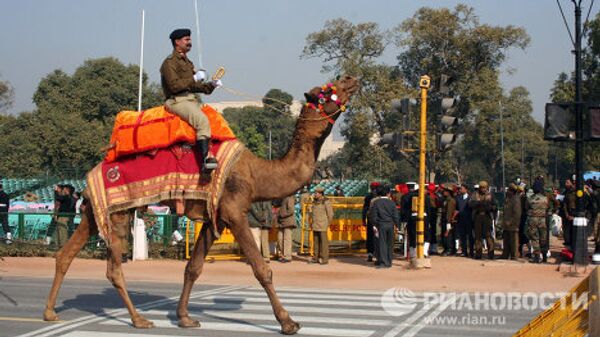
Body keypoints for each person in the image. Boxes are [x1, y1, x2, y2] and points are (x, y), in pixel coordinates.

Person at [160, 28, 221, 171]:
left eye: (190, 39)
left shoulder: (188, 63)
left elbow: (195, 86)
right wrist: (193, 77)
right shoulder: (169, 63)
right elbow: (174, 86)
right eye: (186, 40)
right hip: (177, 100)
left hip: (191, 100)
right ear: (177, 42)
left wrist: (211, 85)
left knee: (215, 118)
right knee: (202, 120)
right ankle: (205, 161)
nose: (189, 42)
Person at [369, 185, 400, 268]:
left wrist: (375, 224)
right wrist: (397, 225)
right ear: (388, 194)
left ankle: (383, 262)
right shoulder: (392, 203)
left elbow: (373, 216)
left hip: (381, 225)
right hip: (390, 224)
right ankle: (389, 262)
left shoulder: (376, 202)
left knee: (382, 244)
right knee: (390, 244)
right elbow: (396, 216)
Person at [469, 181, 497, 260]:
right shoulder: (475, 194)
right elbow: (470, 204)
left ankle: (491, 254)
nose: (483, 189)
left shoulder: (490, 195)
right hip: (477, 216)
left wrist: (489, 207)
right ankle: (478, 253)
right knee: (478, 236)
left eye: (485, 188)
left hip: (487, 216)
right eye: (482, 188)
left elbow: (495, 206)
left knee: (488, 236)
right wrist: (479, 203)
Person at [527, 179, 550, 263]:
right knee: (543, 238)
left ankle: (536, 256)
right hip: (543, 219)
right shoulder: (545, 198)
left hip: (533, 219)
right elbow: (548, 207)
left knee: (534, 238)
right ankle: (544, 256)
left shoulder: (530, 199)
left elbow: (527, 207)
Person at [309, 187, 333, 264]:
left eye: (316, 193)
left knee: (324, 243)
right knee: (316, 243)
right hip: (315, 224)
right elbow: (312, 213)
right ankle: (315, 258)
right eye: (315, 193)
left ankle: (324, 259)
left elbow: (330, 214)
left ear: (320, 194)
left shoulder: (326, 201)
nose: (315, 194)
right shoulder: (314, 202)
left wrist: (327, 223)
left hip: (323, 225)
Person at [501, 183, 522, 260]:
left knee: (514, 241)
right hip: (506, 223)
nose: (507, 192)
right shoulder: (508, 199)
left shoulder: (516, 199)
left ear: (512, 191)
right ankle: (505, 254)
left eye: (509, 190)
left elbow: (517, 213)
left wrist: (511, 222)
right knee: (506, 240)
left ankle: (514, 255)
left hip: (513, 224)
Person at [362, 182, 380, 262]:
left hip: (371, 219)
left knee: (370, 236)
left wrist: (363, 220)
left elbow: (365, 209)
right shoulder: (381, 196)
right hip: (379, 219)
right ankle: (377, 254)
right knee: (378, 236)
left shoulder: (368, 196)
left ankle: (370, 254)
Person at [275, 194, 296, 263]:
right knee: (280, 239)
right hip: (281, 221)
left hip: (288, 221)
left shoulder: (289, 197)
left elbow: (291, 210)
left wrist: (281, 214)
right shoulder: (281, 197)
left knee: (287, 239)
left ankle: (287, 256)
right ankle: (282, 255)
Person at [455, 184, 474, 257]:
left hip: (469, 220)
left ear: (466, 189)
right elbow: (457, 209)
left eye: (462, 189)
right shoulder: (458, 198)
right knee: (462, 237)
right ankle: (464, 251)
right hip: (461, 220)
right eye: (460, 189)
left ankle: (471, 251)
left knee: (470, 236)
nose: (460, 190)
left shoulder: (470, 198)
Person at [440, 184, 458, 256]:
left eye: (445, 191)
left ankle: (450, 249)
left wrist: (448, 222)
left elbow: (449, 212)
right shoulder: (445, 200)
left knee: (449, 235)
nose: (444, 192)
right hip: (445, 220)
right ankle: (446, 248)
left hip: (449, 220)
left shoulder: (451, 200)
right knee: (444, 235)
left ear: (449, 192)